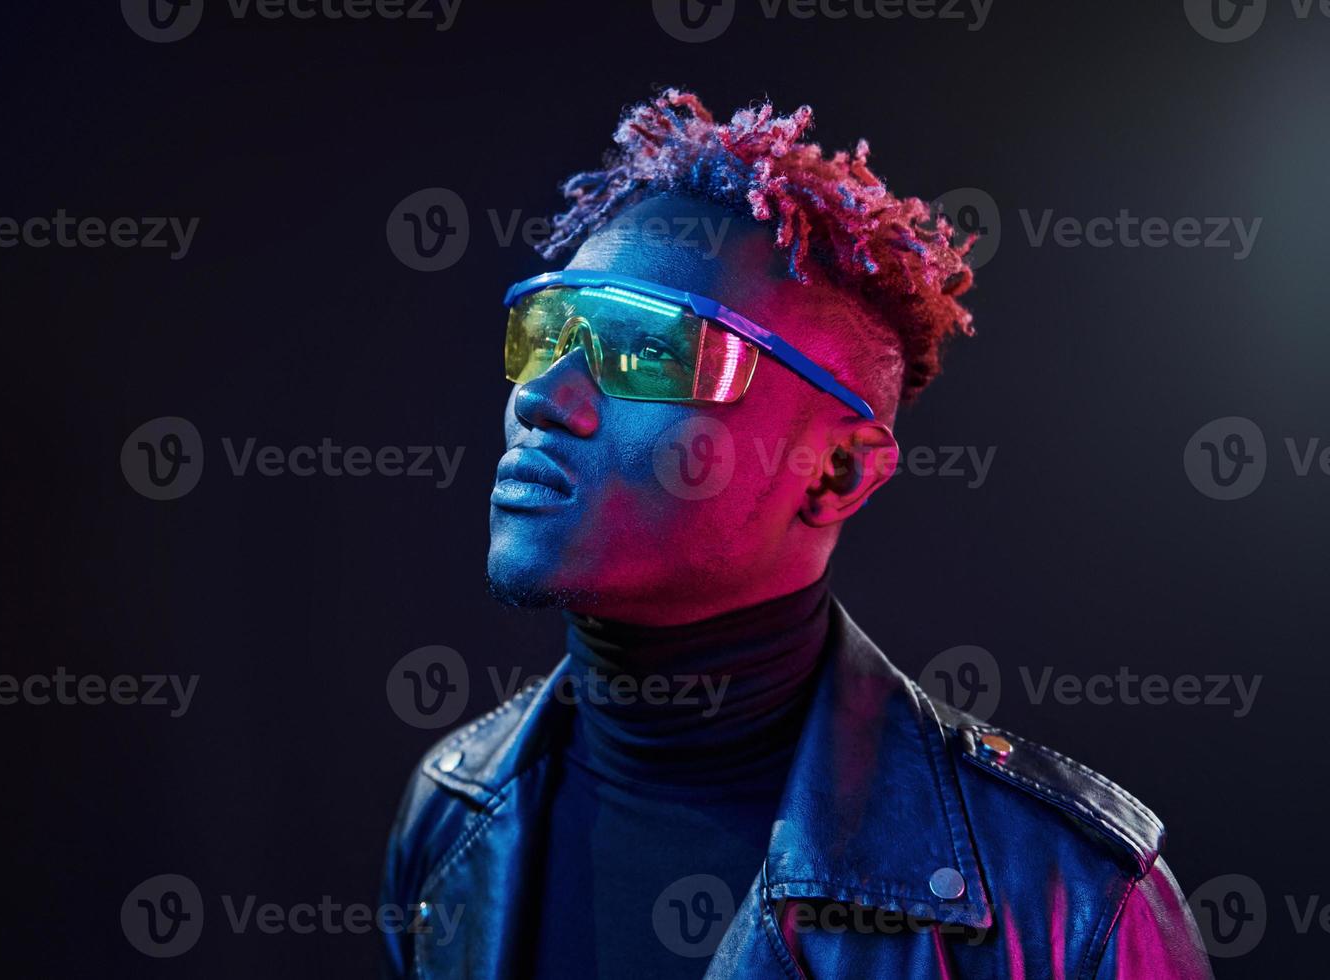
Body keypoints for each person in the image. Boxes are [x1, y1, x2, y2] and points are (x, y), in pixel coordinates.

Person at [380, 89, 1213, 979]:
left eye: (652, 351)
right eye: (545, 334)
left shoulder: (1062, 898)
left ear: (837, 473)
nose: (544, 398)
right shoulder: (452, 814)